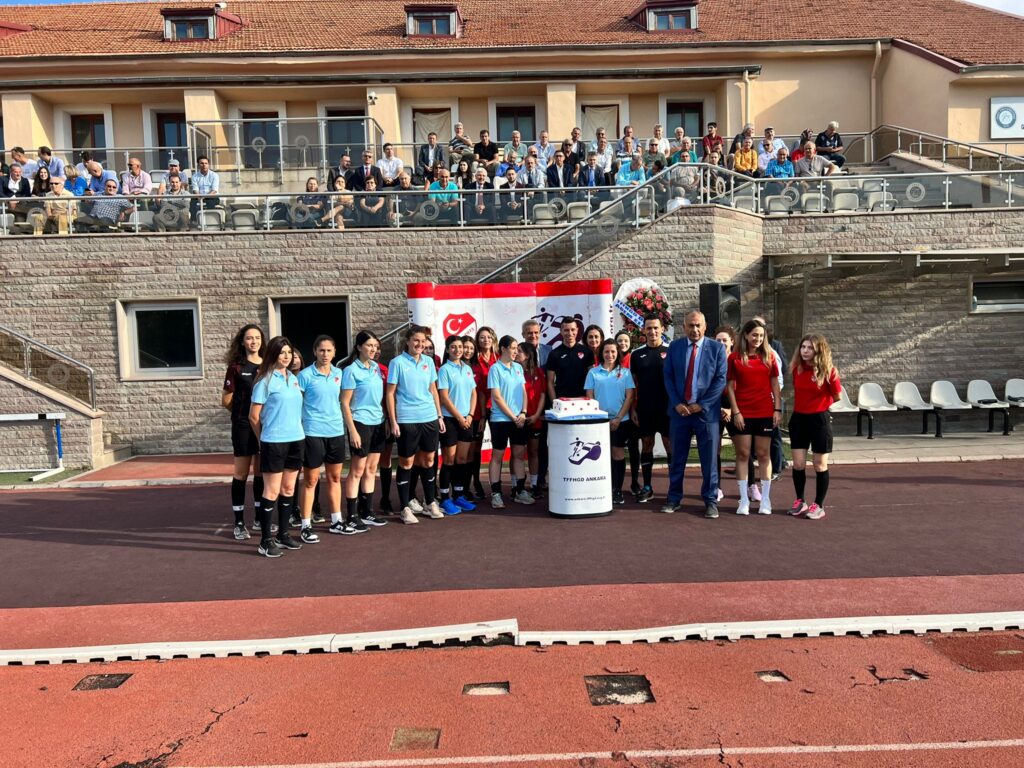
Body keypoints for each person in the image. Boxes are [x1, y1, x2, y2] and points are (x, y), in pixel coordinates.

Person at [661, 311, 727, 518]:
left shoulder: (717, 348)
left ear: (705, 326)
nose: (695, 329)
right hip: (680, 413)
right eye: (691, 325)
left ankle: (710, 501)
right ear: (684, 327)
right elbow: (668, 377)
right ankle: (673, 498)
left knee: (709, 461)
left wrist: (703, 405)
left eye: (698, 325)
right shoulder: (675, 347)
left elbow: (720, 379)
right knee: (677, 459)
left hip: (706, 415)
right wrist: (677, 403)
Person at [249, 336, 305, 558]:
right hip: (274, 441)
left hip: (296, 439)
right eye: (282, 352)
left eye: (289, 352)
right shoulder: (264, 381)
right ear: (273, 354)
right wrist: (263, 439)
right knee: (271, 491)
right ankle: (265, 541)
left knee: (288, 489)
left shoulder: (293, 379)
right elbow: (254, 416)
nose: (287, 356)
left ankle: (283, 534)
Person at [386, 324, 446, 524]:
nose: (420, 344)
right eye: (416, 341)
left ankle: (430, 502)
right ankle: (405, 508)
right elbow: (390, 393)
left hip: (429, 418)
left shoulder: (428, 361)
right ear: (408, 341)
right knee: (406, 463)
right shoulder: (397, 363)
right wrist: (393, 421)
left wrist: (439, 416)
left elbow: (433, 390)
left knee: (429, 461)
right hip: (407, 420)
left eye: (423, 341)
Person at [295, 336, 348, 544]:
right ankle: (305, 525)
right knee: (311, 481)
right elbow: (296, 404)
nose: (325, 354)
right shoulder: (305, 376)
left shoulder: (339, 374)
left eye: (329, 350)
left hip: (335, 432)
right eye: (321, 350)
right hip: (312, 433)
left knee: (335, 478)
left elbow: (344, 401)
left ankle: (336, 521)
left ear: (334, 352)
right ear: (315, 352)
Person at [726, 318, 782, 516]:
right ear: (746, 335)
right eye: (754, 335)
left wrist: (777, 409)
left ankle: (765, 499)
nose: (757, 339)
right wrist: (736, 412)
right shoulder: (734, 358)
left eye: (761, 335)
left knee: (764, 454)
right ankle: (743, 499)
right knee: (743, 454)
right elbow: (730, 386)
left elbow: (775, 384)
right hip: (743, 413)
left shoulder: (769, 357)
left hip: (765, 412)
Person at [340, 331, 390, 533]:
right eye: (369, 345)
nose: (373, 349)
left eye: (375, 346)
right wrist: (352, 430)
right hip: (360, 422)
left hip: (378, 422)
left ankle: (367, 511)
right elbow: (344, 403)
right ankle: (352, 515)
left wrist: (386, 420)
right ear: (359, 347)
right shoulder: (350, 371)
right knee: (357, 470)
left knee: (371, 469)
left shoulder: (376, 368)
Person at [788, 334, 842, 521]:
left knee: (819, 464)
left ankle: (818, 505)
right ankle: (800, 501)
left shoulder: (829, 372)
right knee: (798, 464)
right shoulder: (797, 369)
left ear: (819, 350)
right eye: (803, 347)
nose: (805, 351)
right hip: (798, 419)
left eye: (810, 348)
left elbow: (837, 396)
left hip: (819, 420)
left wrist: (820, 406)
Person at [222, 324, 266, 540]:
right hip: (242, 426)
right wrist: (242, 414)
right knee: (241, 473)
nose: (253, 341)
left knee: (260, 472)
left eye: (257, 337)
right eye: (249, 338)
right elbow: (226, 400)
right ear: (242, 342)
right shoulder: (236, 367)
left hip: (265, 425)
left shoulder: (268, 365)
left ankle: (259, 519)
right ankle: (239, 523)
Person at [585, 339, 636, 505]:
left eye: (613, 351)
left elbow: (629, 397)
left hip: (621, 421)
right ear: (602, 353)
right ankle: (601, 489)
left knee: (617, 454)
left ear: (617, 353)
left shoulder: (625, 373)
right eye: (606, 351)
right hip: (599, 422)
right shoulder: (593, 373)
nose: (610, 355)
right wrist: (601, 418)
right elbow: (590, 397)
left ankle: (617, 490)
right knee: (599, 456)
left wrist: (618, 418)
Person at [630, 314, 672, 503]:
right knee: (647, 445)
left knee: (670, 446)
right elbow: (632, 385)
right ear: (643, 330)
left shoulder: (671, 352)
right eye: (649, 328)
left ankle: (673, 488)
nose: (652, 331)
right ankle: (647, 487)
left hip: (667, 410)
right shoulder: (636, 355)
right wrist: (633, 409)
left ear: (662, 329)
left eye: (656, 327)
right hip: (645, 410)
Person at [487, 335, 532, 508]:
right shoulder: (495, 369)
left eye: (517, 349)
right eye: (513, 348)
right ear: (503, 349)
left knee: (519, 455)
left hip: (519, 419)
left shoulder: (518, 368)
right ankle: (496, 494)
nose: (516, 352)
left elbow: (523, 391)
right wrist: (513, 417)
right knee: (497, 456)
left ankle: (519, 491)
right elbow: (497, 397)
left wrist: (523, 412)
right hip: (500, 419)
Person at [436, 334, 478, 515]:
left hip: (466, 420)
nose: (458, 350)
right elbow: (444, 398)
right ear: (447, 349)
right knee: (449, 460)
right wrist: (460, 418)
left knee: (461, 460)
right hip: (451, 420)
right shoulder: (444, 370)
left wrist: (470, 415)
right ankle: (445, 498)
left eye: (460, 346)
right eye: (453, 347)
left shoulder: (467, 368)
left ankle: (458, 495)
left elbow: (473, 393)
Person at [469, 326, 498, 499]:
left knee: (498, 446)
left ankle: (496, 486)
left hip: (497, 408)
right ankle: (475, 481)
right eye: (482, 337)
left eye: (488, 337)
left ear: (493, 338)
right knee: (475, 448)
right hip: (478, 409)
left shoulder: (499, 358)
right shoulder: (473, 360)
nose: (485, 340)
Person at [517, 341, 547, 498]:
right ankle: (517, 485)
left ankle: (534, 485)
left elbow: (542, 394)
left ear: (528, 355)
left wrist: (536, 415)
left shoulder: (539, 372)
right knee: (518, 453)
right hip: (519, 418)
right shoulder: (514, 371)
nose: (516, 353)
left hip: (535, 418)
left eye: (519, 351)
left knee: (533, 451)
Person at [713, 326, 737, 503]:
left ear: (732, 342)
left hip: (735, 409)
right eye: (718, 340)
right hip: (716, 409)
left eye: (724, 340)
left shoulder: (737, 360)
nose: (721, 343)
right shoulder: (711, 360)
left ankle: (751, 486)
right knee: (716, 450)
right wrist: (720, 408)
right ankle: (716, 487)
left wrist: (730, 409)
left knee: (743, 449)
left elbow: (742, 388)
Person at [546, 316, 591, 402]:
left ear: (577, 330)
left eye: (573, 330)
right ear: (561, 331)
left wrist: (590, 400)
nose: (570, 333)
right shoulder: (554, 354)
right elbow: (550, 383)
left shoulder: (587, 352)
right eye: (566, 330)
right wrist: (554, 403)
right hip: (562, 401)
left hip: (583, 401)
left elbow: (591, 380)